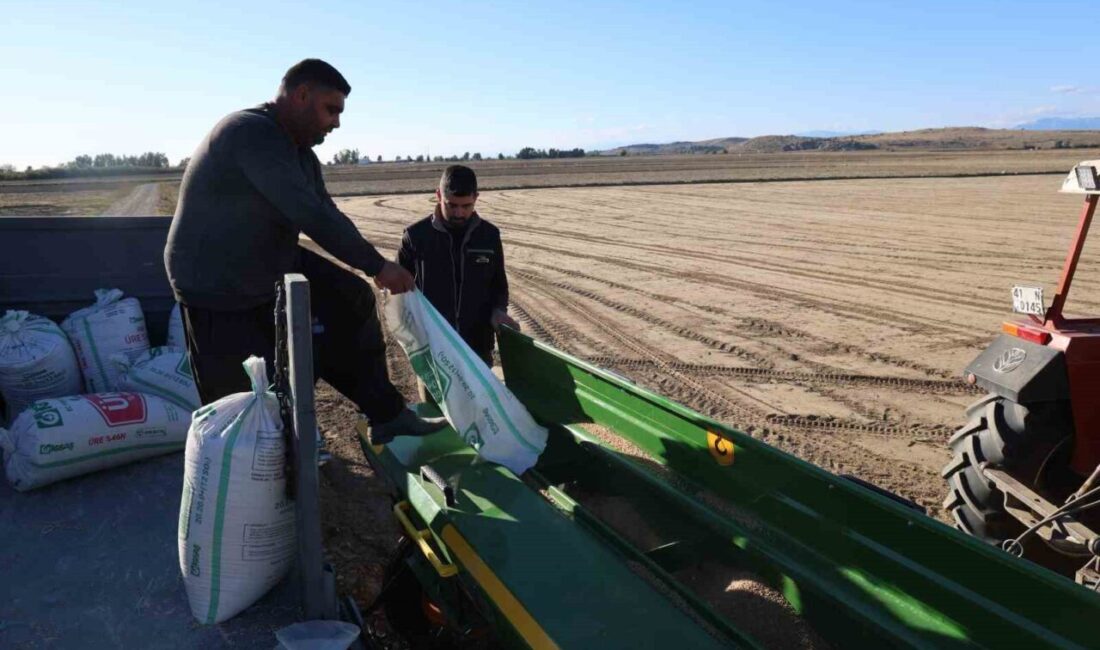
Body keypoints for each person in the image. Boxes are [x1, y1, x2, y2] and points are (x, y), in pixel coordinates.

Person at [164, 58, 444, 443]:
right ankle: (252, 467)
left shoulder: (300, 155)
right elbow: (308, 213)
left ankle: (387, 415)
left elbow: (327, 211)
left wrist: (374, 266)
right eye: (332, 110)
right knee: (242, 395)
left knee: (350, 300)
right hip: (216, 279)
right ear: (300, 95)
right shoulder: (249, 133)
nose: (337, 123)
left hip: (266, 260)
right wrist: (376, 265)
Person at [397, 165, 519, 385]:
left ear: (476, 198)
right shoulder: (416, 237)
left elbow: (499, 285)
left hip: (477, 349)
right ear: (438, 195)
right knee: (438, 413)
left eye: (466, 206)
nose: (459, 213)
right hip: (432, 349)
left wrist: (498, 311)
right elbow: (400, 293)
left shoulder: (489, 236)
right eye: (451, 205)